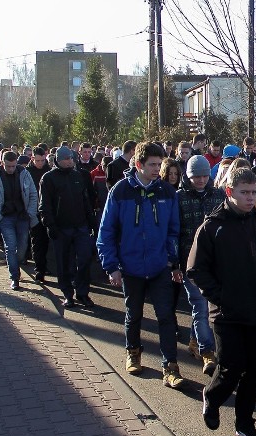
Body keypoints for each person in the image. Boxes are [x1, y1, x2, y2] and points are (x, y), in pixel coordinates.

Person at [187, 168, 256, 436]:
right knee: (231, 367)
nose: (251, 198)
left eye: (254, 192)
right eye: (245, 192)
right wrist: (220, 296)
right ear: (230, 192)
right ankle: (212, 397)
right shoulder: (212, 227)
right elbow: (196, 269)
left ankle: (245, 424)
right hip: (226, 314)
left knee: (255, 372)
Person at [98, 142, 185, 387]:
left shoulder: (167, 193)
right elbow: (106, 231)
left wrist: (174, 262)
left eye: (160, 164)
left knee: (166, 316)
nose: (158, 169)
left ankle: (170, 367)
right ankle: (133, 352)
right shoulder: (120, 191)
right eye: (153, 165)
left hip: (159, 267)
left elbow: (173, 231)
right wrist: (111, 265)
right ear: (138, 165)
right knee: (133, 314)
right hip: (130, 267)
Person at [177, 155, 225, 376]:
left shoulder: (218, 196)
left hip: (215, 260)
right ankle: (207, 352)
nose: (201, 180)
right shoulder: (178, 198)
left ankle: (195, 341)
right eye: (197, 176)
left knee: (206, 306)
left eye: (205, 175)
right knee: (200, 305)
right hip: (189, 260)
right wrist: (175, 264)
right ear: (189, 176)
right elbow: (174, 232)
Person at [39, 146, 97, 308]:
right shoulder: (49, 178)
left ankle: (83, 292)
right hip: (61, 227)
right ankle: (67, 294)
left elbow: (86, 202)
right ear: (58, 159)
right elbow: (45, 205)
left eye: (71, 158)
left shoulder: (78, 176)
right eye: (67, 158)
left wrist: (93, 223)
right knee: (64, 263)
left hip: (80, 227)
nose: (70, 161)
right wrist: (50, 225)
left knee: (85, 259)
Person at [0, 151, 39, 290]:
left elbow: (33, 194)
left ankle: (17, 265)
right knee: (10, 247)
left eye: (13, 166)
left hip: (22, 216)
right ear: (2, 163)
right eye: (8, 166)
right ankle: (14, 277)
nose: (11, 169)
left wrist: (31, 212)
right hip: (5, 217)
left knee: (22, 248)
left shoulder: (24, 174)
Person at [26, 147, 51, 282]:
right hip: (33, 211)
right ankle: (39, 269)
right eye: (38, 160)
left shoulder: (48, 172)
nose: (40, 163)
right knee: (36, 241)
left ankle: (44, 265)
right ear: (33, 159)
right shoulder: (27, 172)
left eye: (42, 160)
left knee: (46, 242)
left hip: (46, 212)